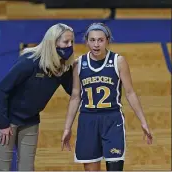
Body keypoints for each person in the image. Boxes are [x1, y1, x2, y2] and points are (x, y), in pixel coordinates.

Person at [61, 22, 153, 171]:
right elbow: (75, 97)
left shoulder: (118, 61)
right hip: (87, 121)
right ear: (86, 41)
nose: (96, 44)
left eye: (100, 40)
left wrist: (143, 122)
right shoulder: (79, 64)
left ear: (107, 40)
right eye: (92, 40)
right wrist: (67, 128)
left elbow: (130, 93)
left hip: (112, 120)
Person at [0, 23, 75, 171]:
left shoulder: (63, 67)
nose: (70, 46)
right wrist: (3, 124)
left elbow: (74, 91)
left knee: (27, 168)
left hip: (30, 121)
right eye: (66, 42)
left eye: (72, 42)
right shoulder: (30, 62)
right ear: (53, 43)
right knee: (3, 167)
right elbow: (2, 90)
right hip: (5, 119)